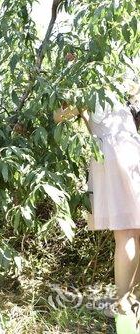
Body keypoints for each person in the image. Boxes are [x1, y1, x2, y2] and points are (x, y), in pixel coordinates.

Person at [54, 86, 140, 314]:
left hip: (112, 155)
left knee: (125, 232)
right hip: (133, 152)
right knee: (134, 231)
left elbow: (57, 116)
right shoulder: (117, 81)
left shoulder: (87, 85)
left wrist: (65, 93)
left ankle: (124, 304)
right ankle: (134, 299)